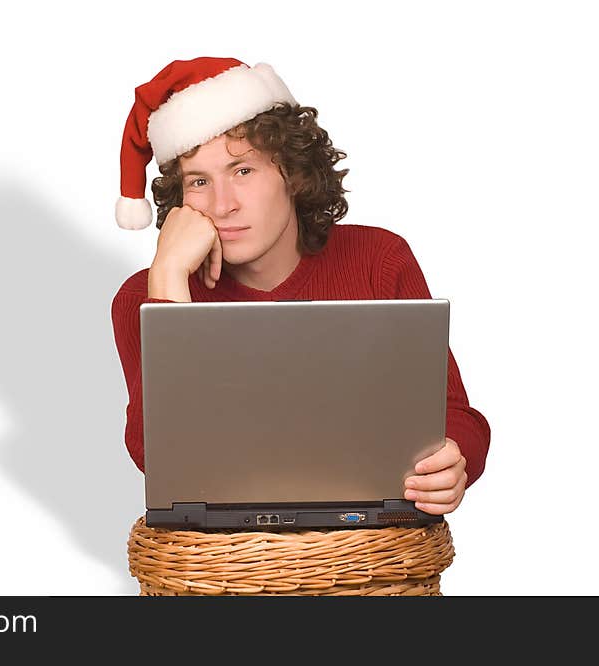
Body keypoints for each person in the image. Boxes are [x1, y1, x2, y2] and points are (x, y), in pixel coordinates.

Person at [111, 57, 490, 515]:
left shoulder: (379, 260)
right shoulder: (144, 296)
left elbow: (452, 411)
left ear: (292, 172)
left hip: (368, 550)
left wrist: (454, 458)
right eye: (199, 181)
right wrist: (169, 278)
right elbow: (161, 459)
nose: (223, 204)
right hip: (224, 562)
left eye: (243, 171)